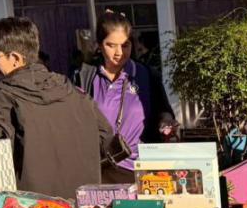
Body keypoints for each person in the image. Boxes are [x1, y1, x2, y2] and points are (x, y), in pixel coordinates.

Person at [0, 17, 125, 199]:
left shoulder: (4, 98)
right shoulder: (74, 92)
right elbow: (106, 139)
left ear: (15, 58)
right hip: (84, 207)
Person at [75, 10, 178, 184]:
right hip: (100, 171)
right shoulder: (85, 77)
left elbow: (164, 111)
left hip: (142, 170)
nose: (119, 53)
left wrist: (166, 123)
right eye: (111, 45)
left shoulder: (146, 75)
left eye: (125, 45)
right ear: (99, 45)